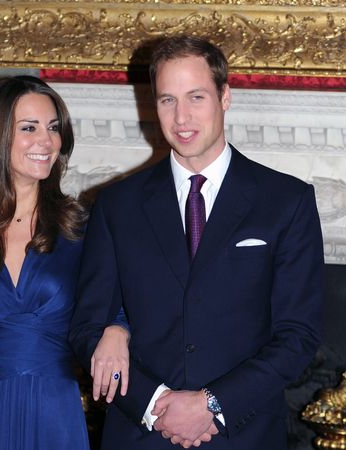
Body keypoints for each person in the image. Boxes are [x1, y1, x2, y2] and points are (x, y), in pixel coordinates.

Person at [69, 35, 324, 450]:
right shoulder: (116, 205)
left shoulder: (286, 201)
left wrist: (212, 404)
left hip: (245, 434)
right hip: (140, 434)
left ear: (225, 96)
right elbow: (85, 328)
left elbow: (299, 334)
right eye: (167, 100)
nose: (181, 116)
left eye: (196, 96)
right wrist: (155, 405)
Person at [0, 76, 130, 450]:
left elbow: (126, 301)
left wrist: (118, 329)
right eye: (29, 128)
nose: (46, 141)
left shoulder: (84, 226)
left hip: (57, 414)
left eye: (53, 128)